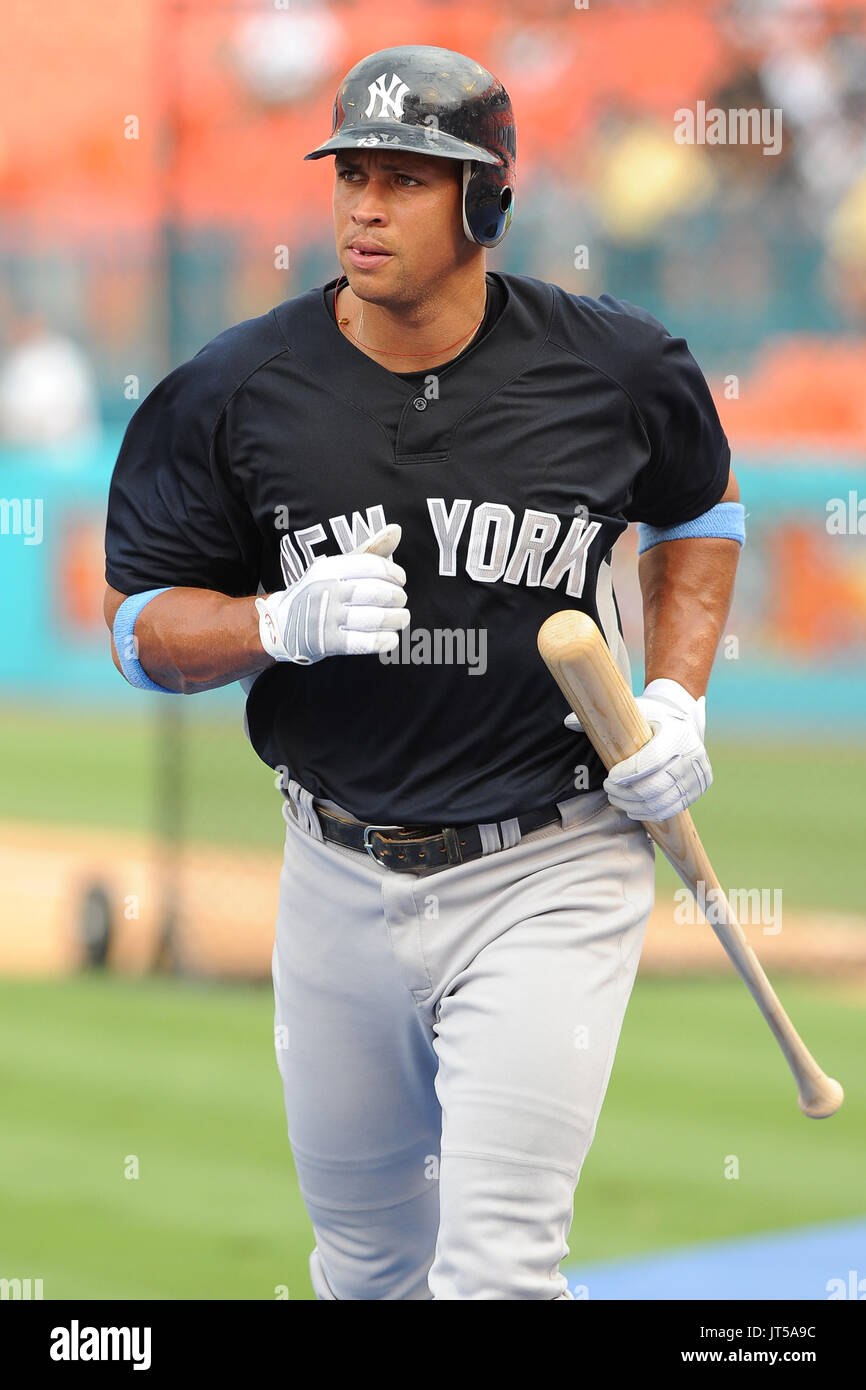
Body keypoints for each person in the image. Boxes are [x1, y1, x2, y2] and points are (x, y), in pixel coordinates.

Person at [103, 45, 744, 1300]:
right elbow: (140, 630)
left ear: (484, 204)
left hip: (552, 858)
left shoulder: (610, 367)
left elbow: (700, 511)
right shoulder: (236, 389)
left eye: (405, 179)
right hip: (334, 867)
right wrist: (271, 623)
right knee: (365, 1266)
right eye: (351, 173)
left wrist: (676, 692)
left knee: (497, 1267)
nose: (362, 206)